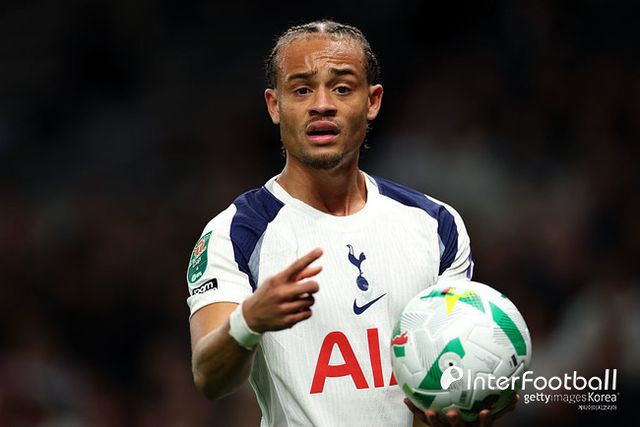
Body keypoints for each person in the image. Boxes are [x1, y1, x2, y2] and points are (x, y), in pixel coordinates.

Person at [186, 20, 517, 427]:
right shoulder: (236, 232)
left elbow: (441, 384)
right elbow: (209, 377)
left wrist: (464, 407)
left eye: (342, 88)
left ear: (372, 101)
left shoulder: (436, 225)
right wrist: (250, 320)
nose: (322, 104)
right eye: (301, 90)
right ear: (275, 105)